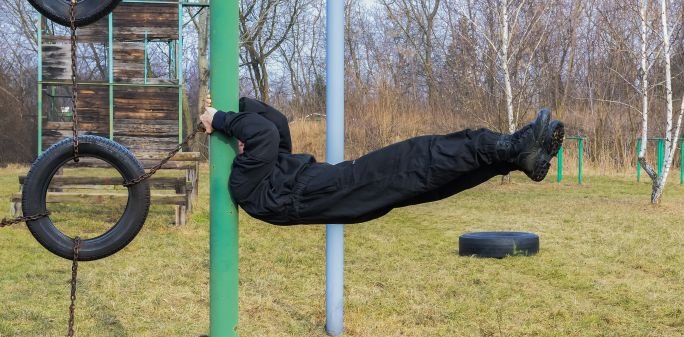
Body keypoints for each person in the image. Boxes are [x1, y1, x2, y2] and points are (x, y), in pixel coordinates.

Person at [200, 97, 564, 226]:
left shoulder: (264, 173)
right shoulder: (245, 186)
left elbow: (273, 124)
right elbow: (262, 134)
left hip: (343, 191)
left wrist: (237, 102)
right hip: (344, 188)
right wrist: (219, 120)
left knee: (432, 180)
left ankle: (518, 158)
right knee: (423, 155)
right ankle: (511, 145)